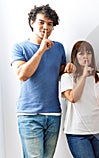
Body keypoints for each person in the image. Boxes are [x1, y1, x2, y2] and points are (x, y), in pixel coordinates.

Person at [10, 4, 75, 158]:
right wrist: (40, 51)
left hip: (53, 114)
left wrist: (67, 67)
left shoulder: (58, 48)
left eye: (50, 23)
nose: (46, 27)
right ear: (32, 22)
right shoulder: (19, 48)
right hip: (29, 115)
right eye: (41, 22)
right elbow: (22, 75)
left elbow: (55, 70)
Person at [60, 41, 99, 158]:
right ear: (75, 56)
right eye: (81, 53)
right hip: (77, 132)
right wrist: (84, 76)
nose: (85, 56)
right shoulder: (67, 77)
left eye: (89, 53)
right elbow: (73, 98)